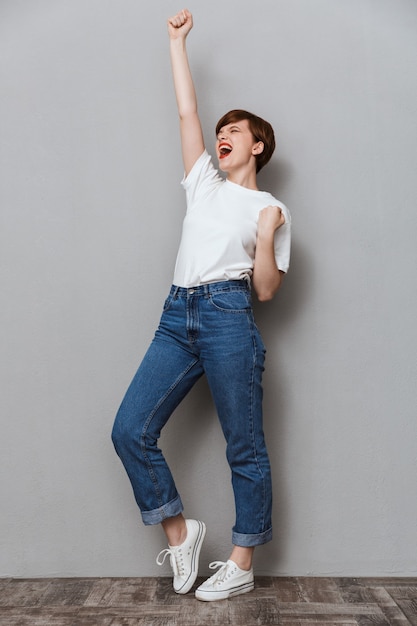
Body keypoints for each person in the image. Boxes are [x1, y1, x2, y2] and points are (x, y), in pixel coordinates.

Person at [111, 8, 291, 602]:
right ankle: (181, 530)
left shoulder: (270, 208)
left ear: (256, 143)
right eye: (222, 129)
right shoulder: (203, 184)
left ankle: (242, 560)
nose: (223, 133)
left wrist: (265, 236)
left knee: (245, 445)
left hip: (228, 317)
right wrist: (175, 44)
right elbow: (187, 110)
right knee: (130, 429)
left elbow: (266, 290)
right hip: (176, 315)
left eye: (234, 129)